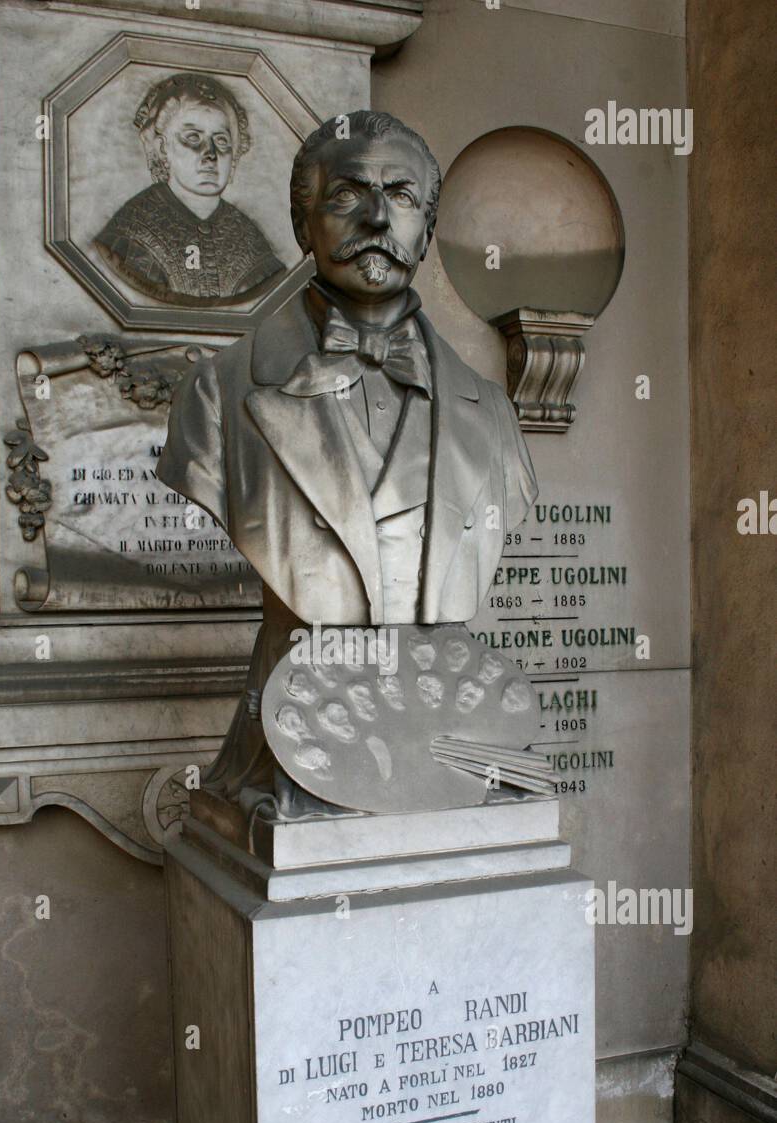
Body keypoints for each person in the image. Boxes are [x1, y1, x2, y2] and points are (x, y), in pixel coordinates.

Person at [156, 109, 538, 812]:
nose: (375, 218)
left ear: (426, 229)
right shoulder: (218, 393)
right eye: (346, 196)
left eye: (400, 196)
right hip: (296, 721)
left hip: (440, 727)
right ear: (304, 227)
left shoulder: (493, 413)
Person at [94, 72, 284, 305]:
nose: (211, 155)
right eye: (193, 137)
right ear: (163, 149)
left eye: (222, 141)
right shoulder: (130, 233)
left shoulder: (250, 239)